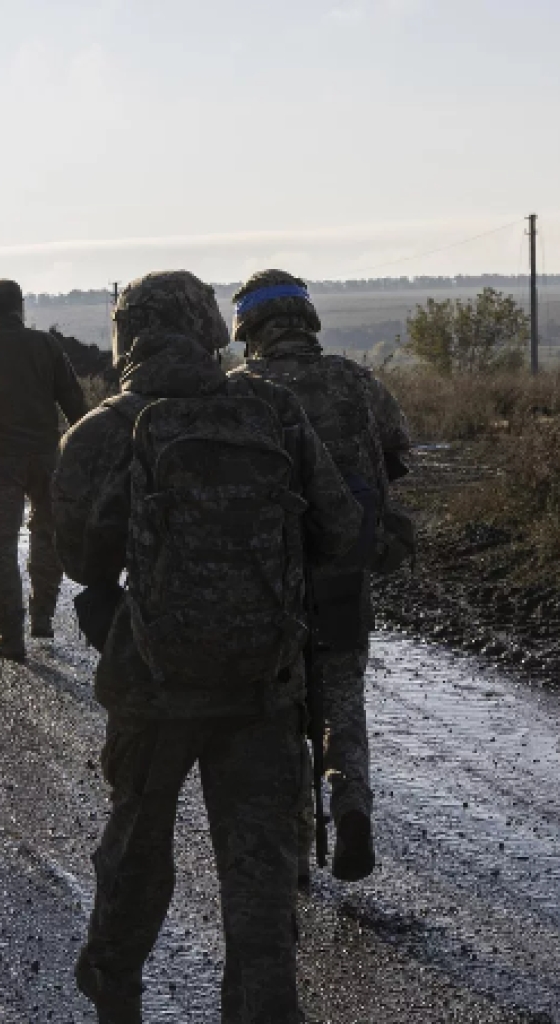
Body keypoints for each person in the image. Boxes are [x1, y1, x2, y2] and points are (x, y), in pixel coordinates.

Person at [54, 271, 359, 1024]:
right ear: (206, 330)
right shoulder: (271, 413)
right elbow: (341, 530)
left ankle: (116, 980)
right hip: (263, 687)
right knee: (259, 889)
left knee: (139, 841)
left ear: (126, 338)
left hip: (152, 686)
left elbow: (79, 557)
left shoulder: (105, 430)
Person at [227, 270, 414, 884]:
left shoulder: (238, 392)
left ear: (248, 328)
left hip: (267, 582)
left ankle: (295, 841)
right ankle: (351, 799)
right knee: (343, 697)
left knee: (280, 708)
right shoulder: (355, 380)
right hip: (344, 569)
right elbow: (398, 454)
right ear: (307, 321)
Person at [0, 279, 90, 660]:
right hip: (48, 457)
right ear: (21, 306)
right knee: (47, 534)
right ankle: (42, 614)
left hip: (0, 462)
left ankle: (10, 633)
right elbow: (75, 404)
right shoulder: (47, 346)